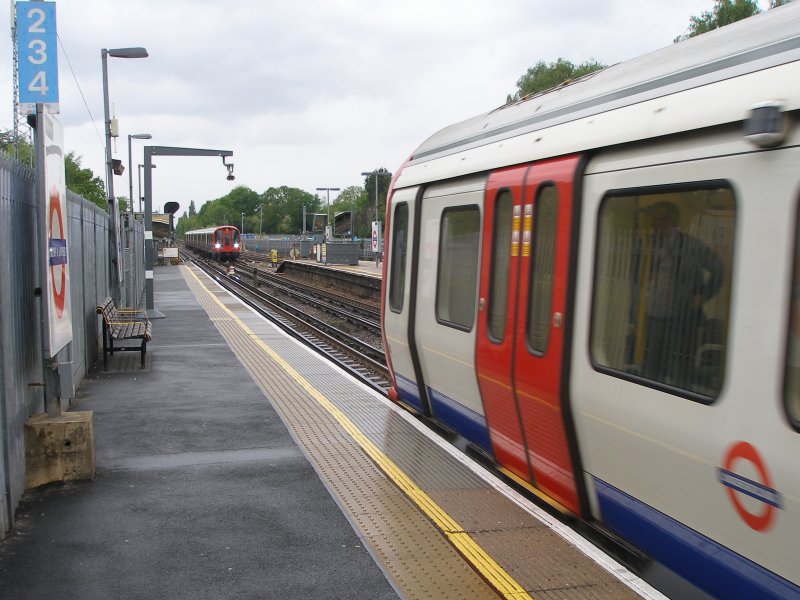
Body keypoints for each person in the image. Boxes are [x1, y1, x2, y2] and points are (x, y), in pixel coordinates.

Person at [639, 201, 723, 388]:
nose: (655, 225)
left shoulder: (691, 246)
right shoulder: (648, 243)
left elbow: (718, 269)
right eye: (653, 221)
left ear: (672, 221)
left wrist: (703, 295)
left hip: (683, 320)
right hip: (655, 317)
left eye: (659, 220)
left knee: (680, 371)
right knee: (651, 368)